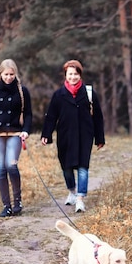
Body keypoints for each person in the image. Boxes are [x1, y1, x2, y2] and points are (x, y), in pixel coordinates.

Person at [41, 59, 105, 213]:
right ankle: (72, 190)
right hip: (65, 135)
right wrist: (46, 134)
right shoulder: (59, 95)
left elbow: (98, 117)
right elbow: (51, 116)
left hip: (85, 135)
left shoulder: (89, 93)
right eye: (70, 74)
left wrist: (100, 137)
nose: (73, 77)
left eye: (76, 74)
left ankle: (80, 199)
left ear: (80, 75)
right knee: (66, 167)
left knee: (83, 167)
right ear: (65, 75)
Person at [0, 59, 32, 217]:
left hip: (15, 133)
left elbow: (28, 114)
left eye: (11, 74)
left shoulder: (22, 91)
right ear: (0, 74)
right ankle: (6, 205)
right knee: (1, 168)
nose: (9, 77)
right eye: (6, 74)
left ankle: (17, 202)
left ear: (15, 74)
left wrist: (26, 130)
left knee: (11, 165)